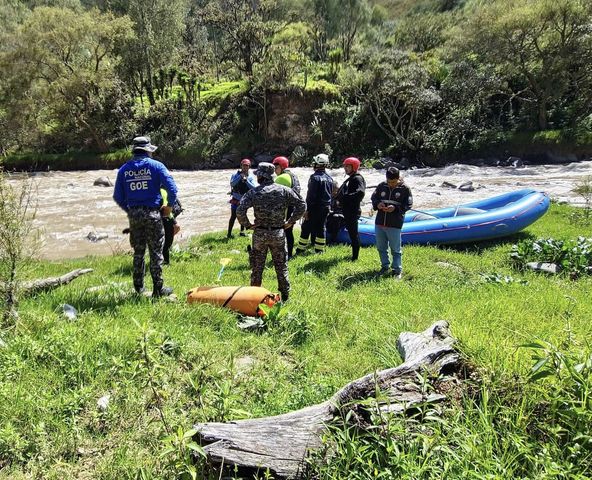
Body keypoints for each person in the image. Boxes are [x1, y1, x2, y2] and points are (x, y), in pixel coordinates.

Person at [113, 136, 178, 296]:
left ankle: (139, 287)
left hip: (134, 214)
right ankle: (158, 288)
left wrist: (130, 211)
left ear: (134, 150)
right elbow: (173, 189)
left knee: (138, 251)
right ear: (148, 150)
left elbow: (118, 196)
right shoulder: (156, 166)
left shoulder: (124, 169)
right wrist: (169, 207)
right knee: (156, 251)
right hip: (153, 213)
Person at [236, 162, 305, 302]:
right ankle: (285, 296)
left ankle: (253, 298)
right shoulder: (284, 190)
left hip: (259, 234)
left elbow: (240, 210)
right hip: (278, 233)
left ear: (260, 176)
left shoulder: (254, 192)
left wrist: (248, 225)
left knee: (257, 267)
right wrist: (291, 221)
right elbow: (301, 204)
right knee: (281, 266)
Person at [370, 166, 413, 278]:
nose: (391, 184)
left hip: (395, 223)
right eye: (389, 181)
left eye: (393, 182)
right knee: (381, 247)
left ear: (398, 178)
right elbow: (374, 197)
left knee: (395, 249)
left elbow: (408, 205)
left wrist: (395, 208)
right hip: (380, 222)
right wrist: (377, 204)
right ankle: (385, 267)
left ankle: (397, 270)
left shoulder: (405, 189)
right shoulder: (381, 186)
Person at [295, 153, 333, 254]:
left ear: (317, 164)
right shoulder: (329, 178)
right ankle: (319, 250)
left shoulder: (314, 178)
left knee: (306, 227)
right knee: (321, 228)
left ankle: (300, 249)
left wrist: (306, 210)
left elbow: (311, 196)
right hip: (325, 208)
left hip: (314, 208)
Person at [335, 157, 366, 260]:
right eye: (345, 166)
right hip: (348, 210)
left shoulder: (357, 178)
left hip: (353, 211)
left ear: (354, 167)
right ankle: (354, 255)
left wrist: (345, 198)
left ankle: (355, 257)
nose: (345, 168)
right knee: (352, 233)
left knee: (353, 234)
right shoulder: (352, 178)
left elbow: (360, 193)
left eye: (348, 166)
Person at [273, 155, 301, 258]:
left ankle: (284, 254)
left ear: (282, 167)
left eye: (276, 167)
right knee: (289, 231)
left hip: (286, 208)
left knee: (283, 232)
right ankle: (289, 254)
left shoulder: (281, 178)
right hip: (294, 207)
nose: (275, 170)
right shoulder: (292, 175)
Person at [228, 158, 256, 238]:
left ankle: (242, 232)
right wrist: (240, 177)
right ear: (241, 166)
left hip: (244, 200)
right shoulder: (235, 175)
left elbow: (254, 188)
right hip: (235, 199)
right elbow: (232, 184)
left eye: (247, 166)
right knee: (233, 216)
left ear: (249, 167)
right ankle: (229, 234)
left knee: (243, 215)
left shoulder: (250, 177)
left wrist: (246, 180)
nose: (245, 167)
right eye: (244, 166)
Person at [160, 188, 183, 265]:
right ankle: (166, 262)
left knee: (163, 241)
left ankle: (161, 260)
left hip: (160, 216)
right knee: (166, 243)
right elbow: (166, 209)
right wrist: (174, 222)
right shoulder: (162, 191)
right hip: (166, 217)